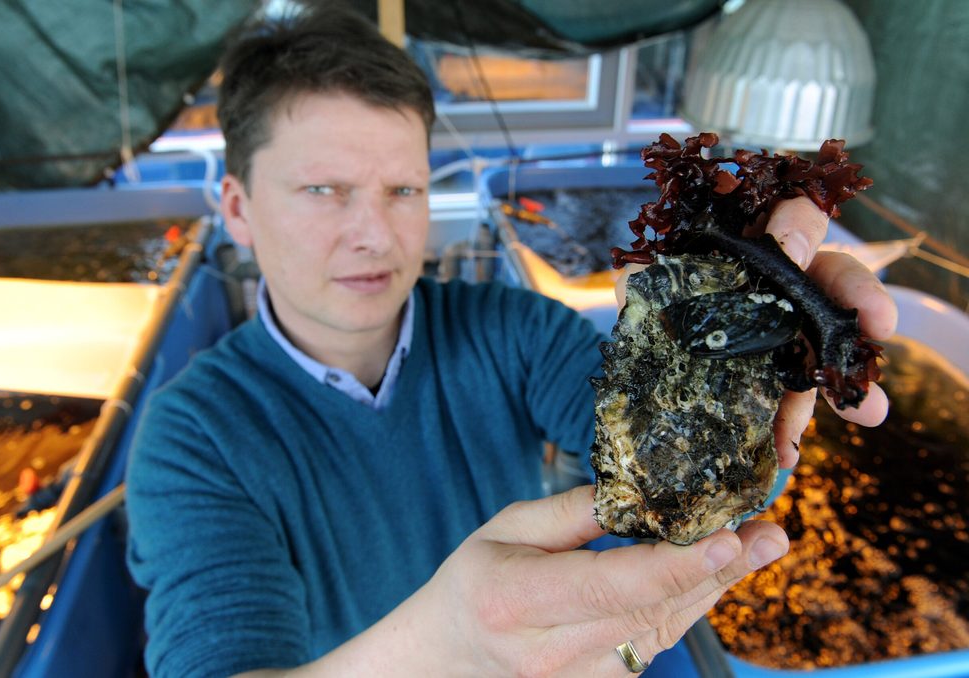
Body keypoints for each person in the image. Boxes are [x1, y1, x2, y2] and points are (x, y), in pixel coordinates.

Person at [124, 6, 896, 678]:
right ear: (236, 207)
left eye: (405, 190)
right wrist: (452, 649)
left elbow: (693, 479)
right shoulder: (192, 437)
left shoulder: (510, 329)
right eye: (323, 191)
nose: (373, 234)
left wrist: (761, 350)